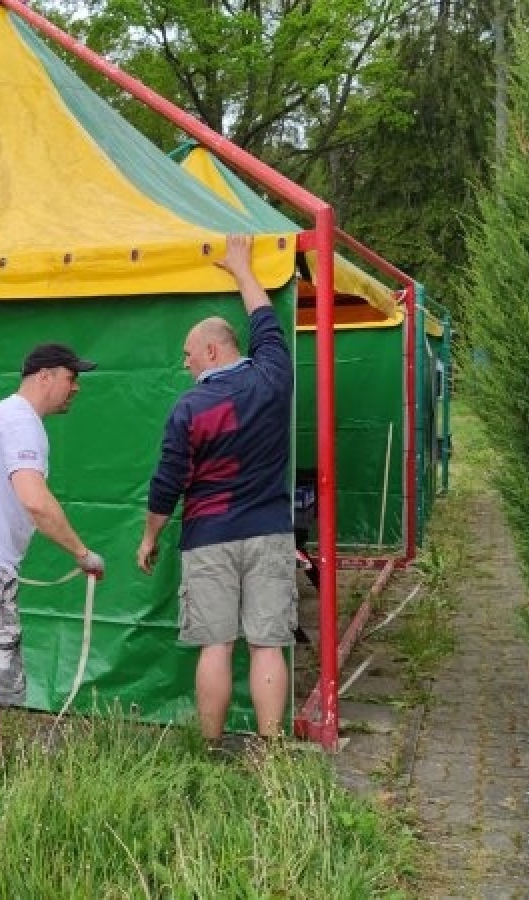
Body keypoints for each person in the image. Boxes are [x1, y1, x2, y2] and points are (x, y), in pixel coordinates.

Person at [136, 233, 296, 749]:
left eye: (188, 354)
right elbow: (266, 323)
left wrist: (149, 537)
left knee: (216, 647)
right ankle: (273, 753)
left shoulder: (188, 409)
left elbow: (167, 485)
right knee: (269, 646)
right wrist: (243, 269)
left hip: (208, 539)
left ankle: (209, 747)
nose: (185, 364)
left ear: (211, 349)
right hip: (270, 533)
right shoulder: (274, 377)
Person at [0, 343, 107, 781]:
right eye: (72, 378)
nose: (76, 388)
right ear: (45, 376)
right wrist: (82, 553)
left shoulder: (0, 414)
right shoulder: (22, 423)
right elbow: (35, 501)